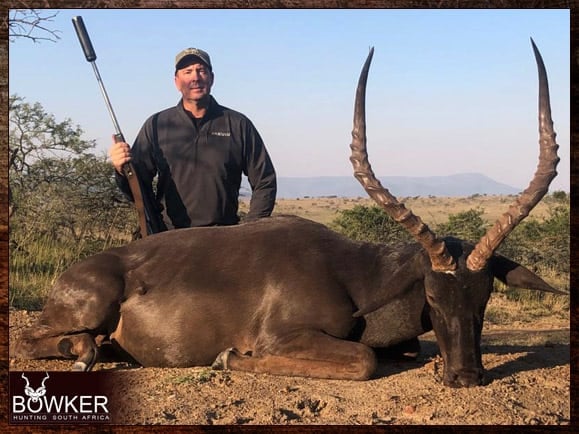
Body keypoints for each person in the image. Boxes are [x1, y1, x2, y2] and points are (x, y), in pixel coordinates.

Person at [109, 47, 277, 230]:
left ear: (211, 78)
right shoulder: (157, 125)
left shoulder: (238, 124)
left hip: (224, 238)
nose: (195, 78)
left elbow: (265, 181)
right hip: (170, 238)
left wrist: (251, 230)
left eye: (201, 70)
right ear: (176, 81)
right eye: (187, 72)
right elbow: (137, 189)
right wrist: (121, 169)